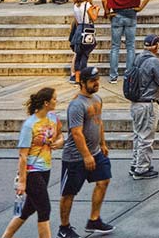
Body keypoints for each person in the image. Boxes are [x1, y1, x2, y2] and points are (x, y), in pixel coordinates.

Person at [1, 87, 65, 238]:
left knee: (28, 209)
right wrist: (22, 182)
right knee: (44, 209)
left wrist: (59, 142)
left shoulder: (53, 118)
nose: (57, 101)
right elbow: (23, 155)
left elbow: (61, 135)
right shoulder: (30, 125)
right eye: (54, 99)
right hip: (32, 171)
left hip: (46, 169)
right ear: (46, 103)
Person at [57, 66, 113, 238]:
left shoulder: (97, 99)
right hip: (75, 157)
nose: (97, 83)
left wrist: (103, 143)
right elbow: (76, 132)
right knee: (69, 193)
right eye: (92, 81)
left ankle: (94, 220)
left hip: (96, 151)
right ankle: (64, 227)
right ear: (82, 83)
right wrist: (86, 155)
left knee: (104, 180)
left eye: (97, 80)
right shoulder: (76, 105)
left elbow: (99, 122)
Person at [124, 33, 159, 180]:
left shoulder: (137, 57)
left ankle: (135, 164)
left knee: (137, 135)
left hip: (135, 102)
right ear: (156, 46)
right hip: (147, 103)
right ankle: (142, 169)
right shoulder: (154, 61)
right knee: (146, 137)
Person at [102, 0, 150, 83]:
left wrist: (107, 12)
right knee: (130, 46)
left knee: (115, 47)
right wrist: (141, 7)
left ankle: (113, 76)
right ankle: (129, 75)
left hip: (117, 15)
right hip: (131, 14)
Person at [67, 0, 101, 86]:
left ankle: (77, 78)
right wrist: (97, 9)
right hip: (87, 31)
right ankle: (83, 77)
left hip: (78, 30)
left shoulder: (76, 5)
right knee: (85, 55)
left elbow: (77, 20)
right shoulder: (87, 5)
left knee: (78, 55)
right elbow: (94, 18)